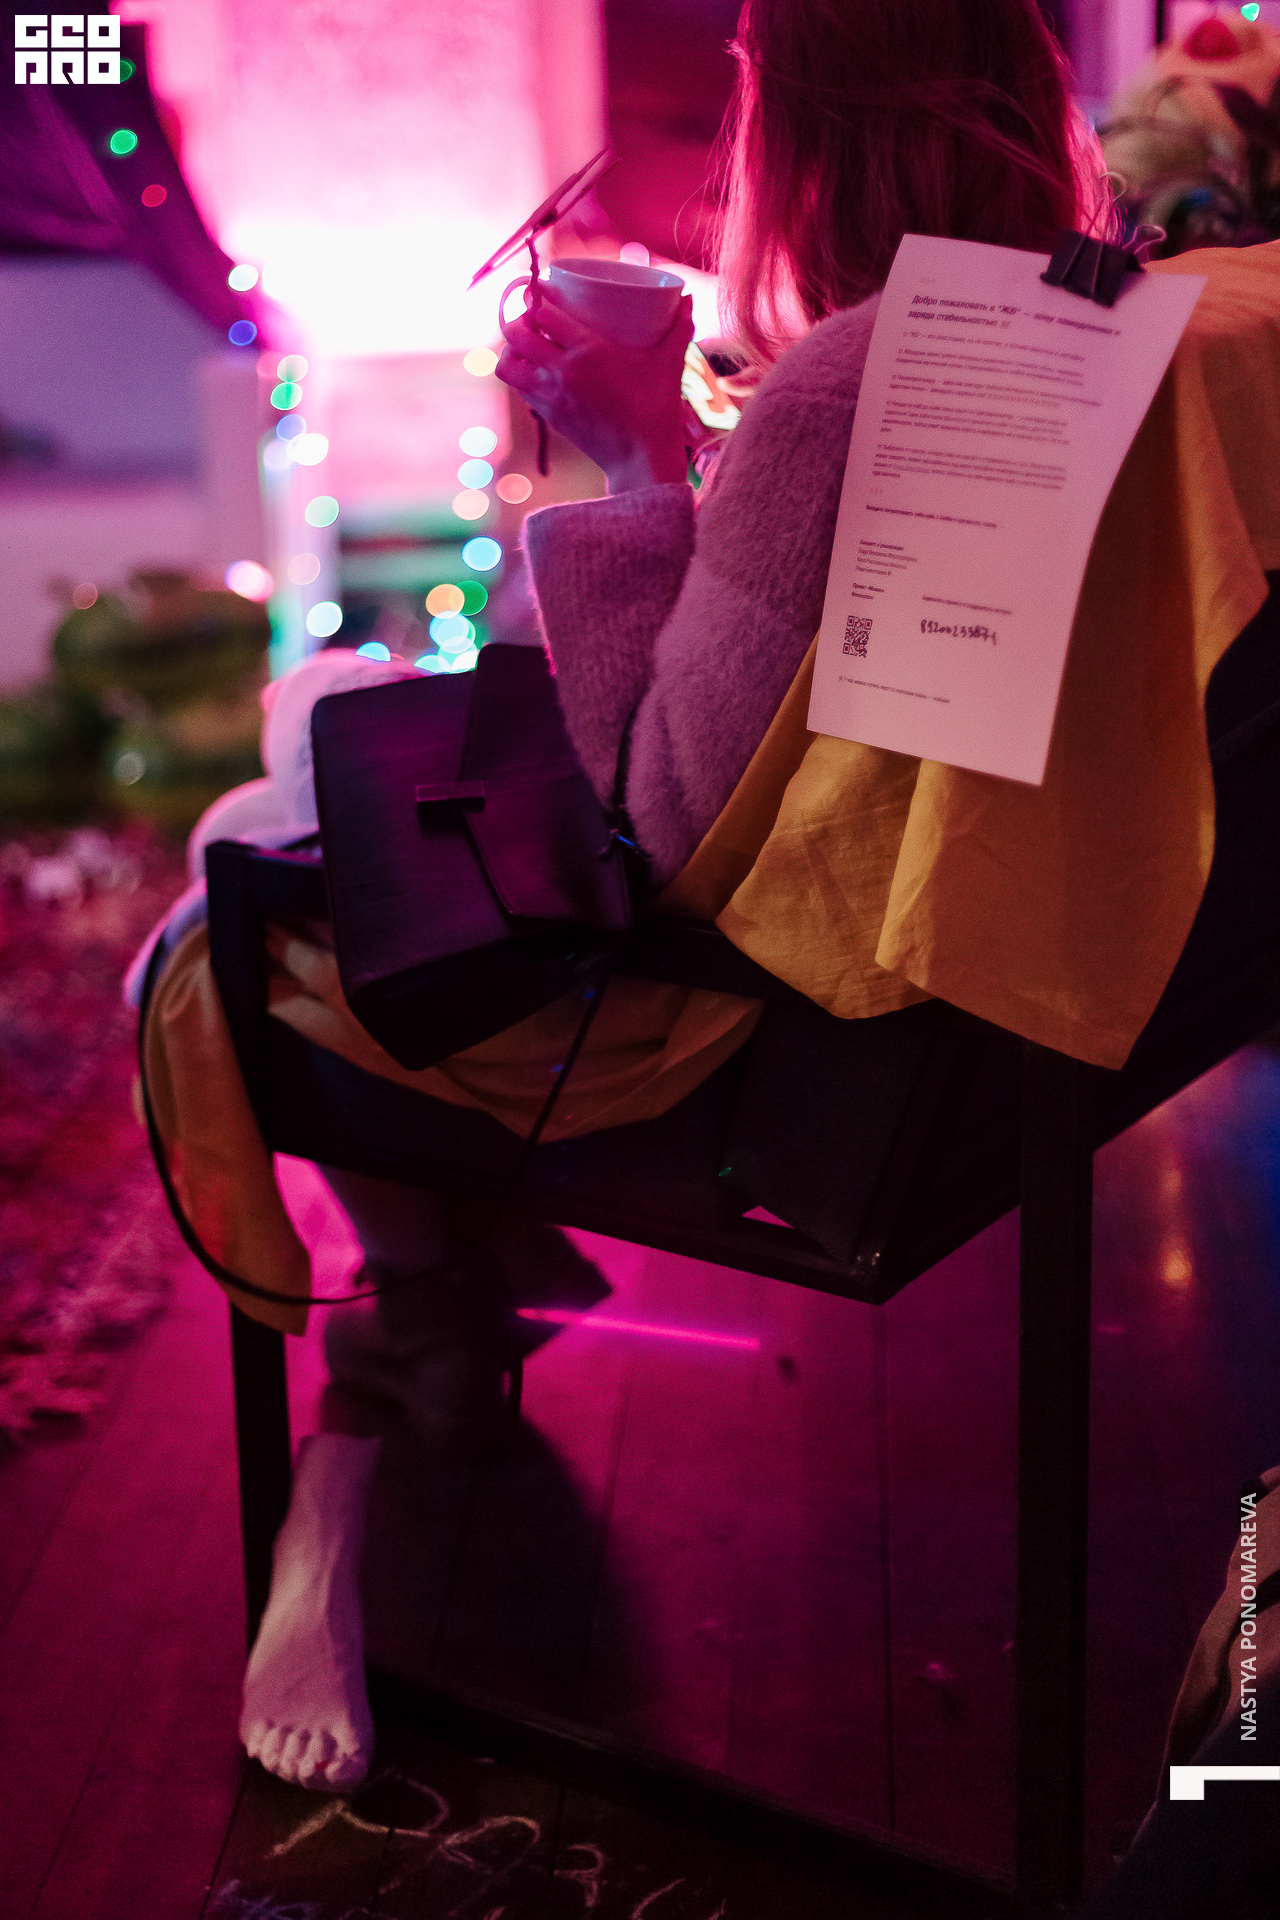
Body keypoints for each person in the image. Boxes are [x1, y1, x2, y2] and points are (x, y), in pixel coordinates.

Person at [234, 0, 1115, 1791]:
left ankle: (410, 1328)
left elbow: (663, 824)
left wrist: (638, 457)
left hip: (770, 1039)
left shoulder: (845, 387)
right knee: (316, 749)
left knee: (238, 866)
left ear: (816, 132)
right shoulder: (1074, 318)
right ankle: (429, 1310)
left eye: (754, 105)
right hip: (989, 976)